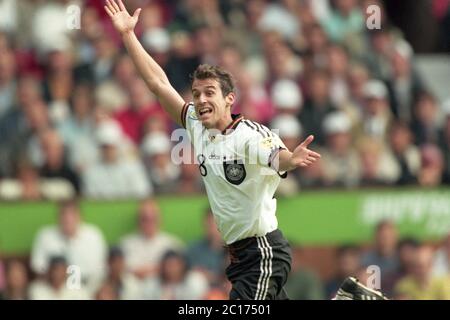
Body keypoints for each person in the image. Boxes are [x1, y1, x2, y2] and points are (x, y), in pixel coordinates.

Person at [104, 0, 386, 300]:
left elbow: (277, 157)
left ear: (229, 99)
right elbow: (158, 83)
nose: (200, 100)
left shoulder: (248, 135)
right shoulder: (196, 125)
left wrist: (291, 158)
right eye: (197, 94)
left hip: (263, 251)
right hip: (240, 256)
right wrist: (128, 36)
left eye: (209, 93)